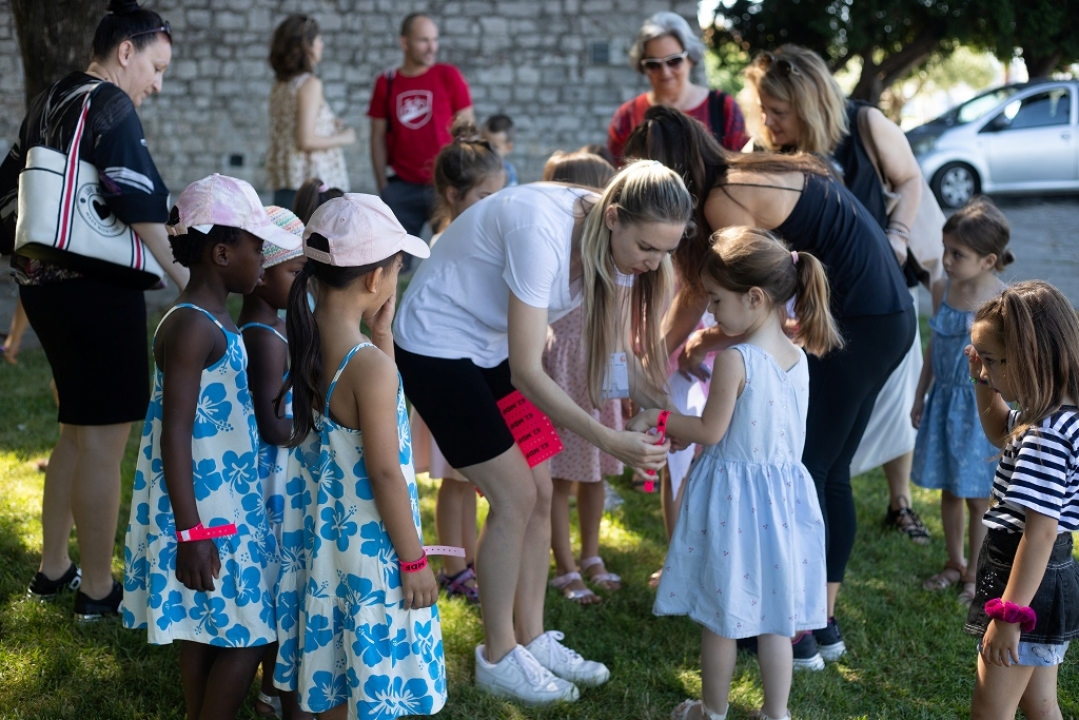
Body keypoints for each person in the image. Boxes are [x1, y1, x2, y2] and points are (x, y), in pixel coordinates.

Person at [624, 105, 915, 665]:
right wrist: (703, 342)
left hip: (860, 321)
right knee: (825, 471)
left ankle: (797, 628)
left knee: (808, 471)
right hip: (887, 315)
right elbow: (742, 300)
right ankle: (818, 624)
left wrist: (654, 357)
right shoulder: (742, 171)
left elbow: (723, 285)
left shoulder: (722, 200)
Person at [393, 161, 692, 703]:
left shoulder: (615, 239)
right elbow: (528, 372)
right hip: (436, 346)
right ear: (616, 218)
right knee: (515, 495)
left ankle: (531, 638)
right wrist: (609, 439)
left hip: (489, 350)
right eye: (648, 247)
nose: (654, 263)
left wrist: (662, 405)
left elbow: (616, 353)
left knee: (542, 489)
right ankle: (498, 655)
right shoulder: (541, 232)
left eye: (666, 252)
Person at [0, 0, 188, 620]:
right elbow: (139, 198)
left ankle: (55, 569)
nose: (156, 85)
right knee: (106, 443)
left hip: (42, 285)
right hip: (96, 290)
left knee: (76, 433)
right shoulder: (111, 104)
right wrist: (186, 276)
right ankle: (100, 591)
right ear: (125, 51)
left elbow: (8, 188)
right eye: (155, 68)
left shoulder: (53, 97)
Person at [631, 227, 839, 719]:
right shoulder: (798, 357)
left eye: (717, 301)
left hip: (734, 506)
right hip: (782, 502)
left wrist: (658, 418)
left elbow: (709, 429)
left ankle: (711, 711)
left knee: (720, 617)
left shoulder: (735, 359)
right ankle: (776, 713)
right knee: (775, 617)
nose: (711, 313)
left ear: (755, 297)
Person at [122, 174, 300, 718]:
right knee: (249, 632)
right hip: (205, 510)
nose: (261, 258)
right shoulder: (193, 326)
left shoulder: (217, 318)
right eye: (255, 247)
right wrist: (192, 532)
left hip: (230, 500)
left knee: (203, 625)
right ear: (222, 252)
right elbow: (173, 430)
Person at [743, 45, 932, 542]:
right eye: (763, 108)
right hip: (816, 309)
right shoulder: (767, 152)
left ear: (808, 104)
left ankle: (901, 502)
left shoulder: (865, 124)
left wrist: (899, 234)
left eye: (779, 111)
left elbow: (910, 179)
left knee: (889, 411)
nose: (768, 120)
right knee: (828, 447)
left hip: (877, 298)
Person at [272, 195, 445, 719]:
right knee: (372, 677)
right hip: (373, 550)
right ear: (374, 280)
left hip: (326, 544)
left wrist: (383, 334)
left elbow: (376, 405)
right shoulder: (367, 367)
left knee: (335, 672)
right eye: (396, 268)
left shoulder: (305, 340)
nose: (397, 278)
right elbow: (387, 471)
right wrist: (414, 560)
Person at [964, 281, 1079, 720]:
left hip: (1025, 581)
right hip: (1044, 581)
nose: (987, 371)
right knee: (1038, 701)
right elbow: (998, 430)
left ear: (1031, 358)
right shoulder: (1053, 416)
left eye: (993, 361)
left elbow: (1040, 531)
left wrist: (1011, 615)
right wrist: (981, 378)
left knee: (991, 709)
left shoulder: (1045, 437)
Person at [407, 121, 506, 605]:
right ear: (454, 193)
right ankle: (452, 564)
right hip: (446, 374)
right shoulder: (450, 239)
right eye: (486, 195)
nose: (496, 206)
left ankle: (466, 560)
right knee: (453, 481)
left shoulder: (482, 236)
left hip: (473, 373)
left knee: (467, 482)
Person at [912, 199, 1012, 607]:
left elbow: (1010, 364)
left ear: (988, 260)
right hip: (944, 402)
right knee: (949, 491)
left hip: (981, 409)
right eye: (945, 249)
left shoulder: (1004, 302)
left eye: (958, 254)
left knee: (976, 496)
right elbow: (936, 344)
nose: (946, 260)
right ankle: (953, 563)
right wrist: (920, 393)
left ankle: (975, 573)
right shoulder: (943, 288)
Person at [539, 149, 624, 605]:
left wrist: (622, 387)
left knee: (596, 473)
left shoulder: (615, 253)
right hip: (561, 370)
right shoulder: (554, 250)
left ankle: (591, 555)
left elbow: (621, 324)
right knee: (559, 477)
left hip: (601, 369)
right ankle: (565, 565)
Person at [237, 205, 309, 720]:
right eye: (292, 271)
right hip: (270, 480)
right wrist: (317, 427)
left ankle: (275, 691)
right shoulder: (263, 336)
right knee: (280, 587)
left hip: (276, 474)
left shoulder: (273, 324)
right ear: (260, 275)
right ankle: (281, 695)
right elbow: (270, 426)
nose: (301, 281)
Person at [368, 13, 474, 245]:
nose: (431, 47)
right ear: (404, 42)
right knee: (393, 261)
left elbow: (467, 131)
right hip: (402, 187)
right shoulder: (386, 82)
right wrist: (384, 187)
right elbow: (377, 137)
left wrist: (463, 178)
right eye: (423, 40)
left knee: (452, 252)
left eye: (434, 40)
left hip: (445, 183)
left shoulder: (448, 75)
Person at [607, 12, 747, 164]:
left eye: (674, 61)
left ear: (690, 58)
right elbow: (615, 175)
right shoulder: (627, 116)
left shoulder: (723, 108)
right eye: (653, 64)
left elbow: (740, 171)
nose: (665, 72)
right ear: (642, 66)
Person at [266, 14, 354, 211]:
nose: (321, 44)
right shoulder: (309, 84)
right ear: (307, 46)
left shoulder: (281, 85)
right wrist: (344, 137)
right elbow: (305, 140)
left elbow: (291, 125)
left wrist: (329, 124)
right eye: (318, 40)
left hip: (287, 179)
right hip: (311, 188)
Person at [482, 114, 518, 186]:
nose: (488, 150)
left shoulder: (508, 172)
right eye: (484, 144)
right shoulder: (473, 166)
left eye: (494, 147)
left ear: (508, 148)